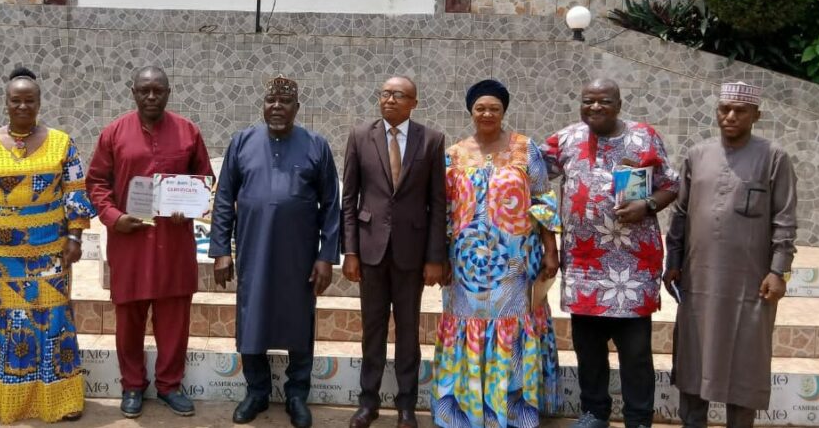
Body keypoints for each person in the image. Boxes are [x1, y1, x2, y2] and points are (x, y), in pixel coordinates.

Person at [0, 67, 96, 423]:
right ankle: (1, 398)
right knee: (0, 320)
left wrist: (75, 237)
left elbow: (75, 193)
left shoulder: (63, 143)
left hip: (50, 253)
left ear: (39, 103)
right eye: (15, 100)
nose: (22, 106)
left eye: (29, 100)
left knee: (53, 319)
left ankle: (58, 400)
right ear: (6, 102)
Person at [541, 78, 679, 428]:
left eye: (603, 101)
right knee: (588, 349)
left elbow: (671, 185)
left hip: (633, 267)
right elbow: (531, 173)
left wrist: (647, 205)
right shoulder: (566, 139)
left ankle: (638, 418)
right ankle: (594, 413)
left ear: (619, 105)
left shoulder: (644, 137)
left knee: (635, 352)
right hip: (584, 266)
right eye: (588, 101)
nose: (595, 107)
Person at [209, 75, 341, 428]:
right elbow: (224, 198)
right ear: (263, 105)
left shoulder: (316, 145)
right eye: (271, 101)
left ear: (297, 108)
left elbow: (331, 204)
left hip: (300, 256)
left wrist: (326, 256)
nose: (277, 107)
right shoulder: (242, 142)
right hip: (253, 250)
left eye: (285, 102)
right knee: (252, 318)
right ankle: (256, 392)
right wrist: (221, 250)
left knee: (300, 321)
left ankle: (297, 394)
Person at [665, 82, 798, 428]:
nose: (731, 116)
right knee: (694, 356)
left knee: (745, 361)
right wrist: (672, 261)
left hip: (750, 284)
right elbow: (680, 214)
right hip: (698, 279)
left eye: (740, 110)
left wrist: (778, 271)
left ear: (756, 115)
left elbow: (784, 219)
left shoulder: (774, 157)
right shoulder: (697, 155)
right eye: (725, 109)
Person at [430, 79, 561, 428]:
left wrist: (551, 250)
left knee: (513, 325)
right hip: (464, 264)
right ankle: (465, 412)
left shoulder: (525, 150)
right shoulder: (454, 154)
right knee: (464, 323)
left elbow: (543, 200)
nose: (487, 113)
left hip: (516, 262)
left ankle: (514, 412)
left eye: (494, 108)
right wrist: (439, 256)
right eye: (480, 108)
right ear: (470, 111)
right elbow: (442, 211)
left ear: (504, 111)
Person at [86, 66, 213, 418]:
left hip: (174, 243)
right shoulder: (114, 133)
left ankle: (170, 385)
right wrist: (114, 217)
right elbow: (96, 182)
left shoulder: (188, 132)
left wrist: (189, 207)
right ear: (134, 93)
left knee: (174, 320)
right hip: (131, 243)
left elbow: (204, 179)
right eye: (145, 91)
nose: (151, 96)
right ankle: (132, 385)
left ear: (169, 93)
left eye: (158, 90)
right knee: (129, 319)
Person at [341, 76, 446, 428]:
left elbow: (438, 203)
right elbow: (349, 199)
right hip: (370, 251)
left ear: (414, 102)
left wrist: (435, 257)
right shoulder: (360, 136)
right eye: (384, 93)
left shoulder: (431, 140)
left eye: (398, 95)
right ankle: (367, 403)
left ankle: (406, 406)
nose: (389, 99)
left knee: (408, 330)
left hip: (411, 253)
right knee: (372, 329)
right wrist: (350, 251)